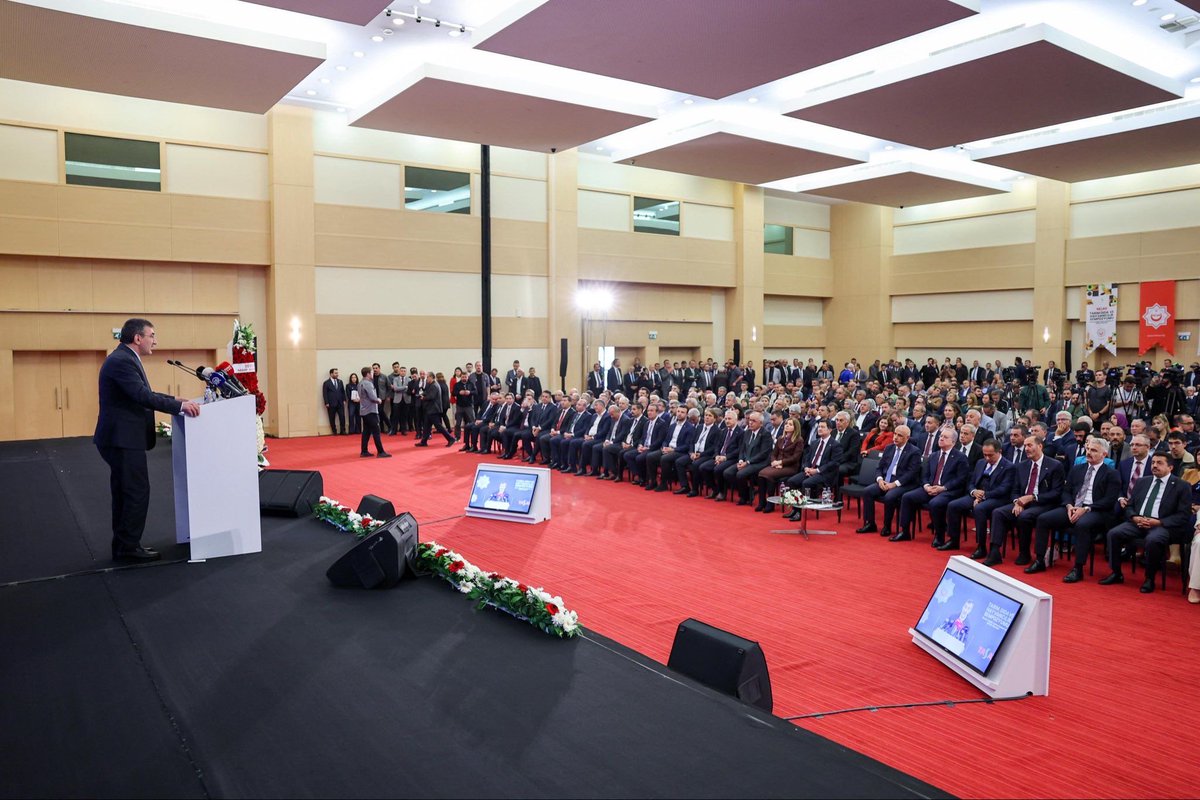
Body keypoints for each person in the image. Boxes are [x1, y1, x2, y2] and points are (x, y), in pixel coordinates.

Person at [94, 318, 201, 562]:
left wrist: (175, 399)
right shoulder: (122, 361)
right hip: (122, 439)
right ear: (137, 338)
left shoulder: (124, 358)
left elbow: (144, 393)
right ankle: (128, 547)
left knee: (126, 492)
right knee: (135, 492)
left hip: (121, 438)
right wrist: (179, 406)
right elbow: (142, 396)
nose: (155, 340)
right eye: (152, 335)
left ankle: (124, 545)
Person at [1028, 437, 1120, 580]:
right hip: (1073, 506)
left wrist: (1086, 509)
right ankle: (1040, 560)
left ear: (1104, 454)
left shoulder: (1111, 474)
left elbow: (1109, 500)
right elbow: (1066, 491)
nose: (1089, 453)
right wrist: (1069, 505)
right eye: (1088, 449)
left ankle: (1078, 568)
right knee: (1043, 519)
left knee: (1082, 524)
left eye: (1094, 450)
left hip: (1096, 511)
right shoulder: (1077, 469)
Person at [1101, 452, 1193, 593]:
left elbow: (1183, 515)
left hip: (1162, 525)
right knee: (1114, 533)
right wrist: (1134, 517)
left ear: (1170, 467)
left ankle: (1149, 579)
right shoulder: (1143, 481)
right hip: (1138, 522)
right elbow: (1130, 505)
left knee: (1153, 540)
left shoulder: (1181, 486)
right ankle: (1116, 573)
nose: (1155, 465)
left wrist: (1159, 522)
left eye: (1159, 463)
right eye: (1153, 462)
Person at [855, 424, 920, 537]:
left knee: (889, 496)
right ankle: (870, 523)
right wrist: (880, 480)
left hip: (902, 483)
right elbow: (879, 467)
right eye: (895, 434)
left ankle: (887, 526)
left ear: (907, 438)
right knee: (867, 491)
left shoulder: (914, 451)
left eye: (899, 435)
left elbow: (911, 473)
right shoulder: (889, 447)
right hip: (885, 480)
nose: (895, 437)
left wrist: (894, 484)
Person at [755, 417, 804, 513]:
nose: (787, 426)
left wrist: (781, 462)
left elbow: (795, 457)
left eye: (790, 424)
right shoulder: (780, 438)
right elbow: (774, 453)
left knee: (768, 475)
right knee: (761, 474)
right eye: (786, 424)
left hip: (790, 466)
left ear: (795, 427)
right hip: (777, 465)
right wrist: (774, 462)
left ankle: (770, 503)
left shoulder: (799, 440)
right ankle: (762, 502)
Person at [358, 366, 390, 458]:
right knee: (376, 432)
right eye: (371, 372)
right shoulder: (368, 383)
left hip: (364, 410)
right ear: (368, 374)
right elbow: (372, 397)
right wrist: (378, 400)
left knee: (366, 432)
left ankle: (364, 451)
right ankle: (380, 452)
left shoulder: (360, 383)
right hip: (371, 411)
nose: (373, 373)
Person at [416, 371, 455, 447]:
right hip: (431, 409)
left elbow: (431, 396)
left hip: (433, 409)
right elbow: (428, 393)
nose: (427, 379)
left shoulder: (434, 385)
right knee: (426, 426)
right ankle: (424, 441)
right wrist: (422, 394)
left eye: (428, 377)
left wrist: (423, 397)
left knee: (438, 426)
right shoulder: (433, 384)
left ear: (431, 377)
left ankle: (450, 438)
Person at [322, 368, 346, 435]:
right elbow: (325, 393)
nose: (337, 374)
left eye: (337, 373)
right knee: (332, 418)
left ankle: (343, 430)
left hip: (340, 403)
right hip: (331, 403)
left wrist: (344, 400)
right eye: (335, 373)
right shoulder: (326, 383)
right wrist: (326, 402)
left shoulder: (340, 382)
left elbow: (342, 391)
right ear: (331, 374)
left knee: (342, 417)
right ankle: (334, 431)